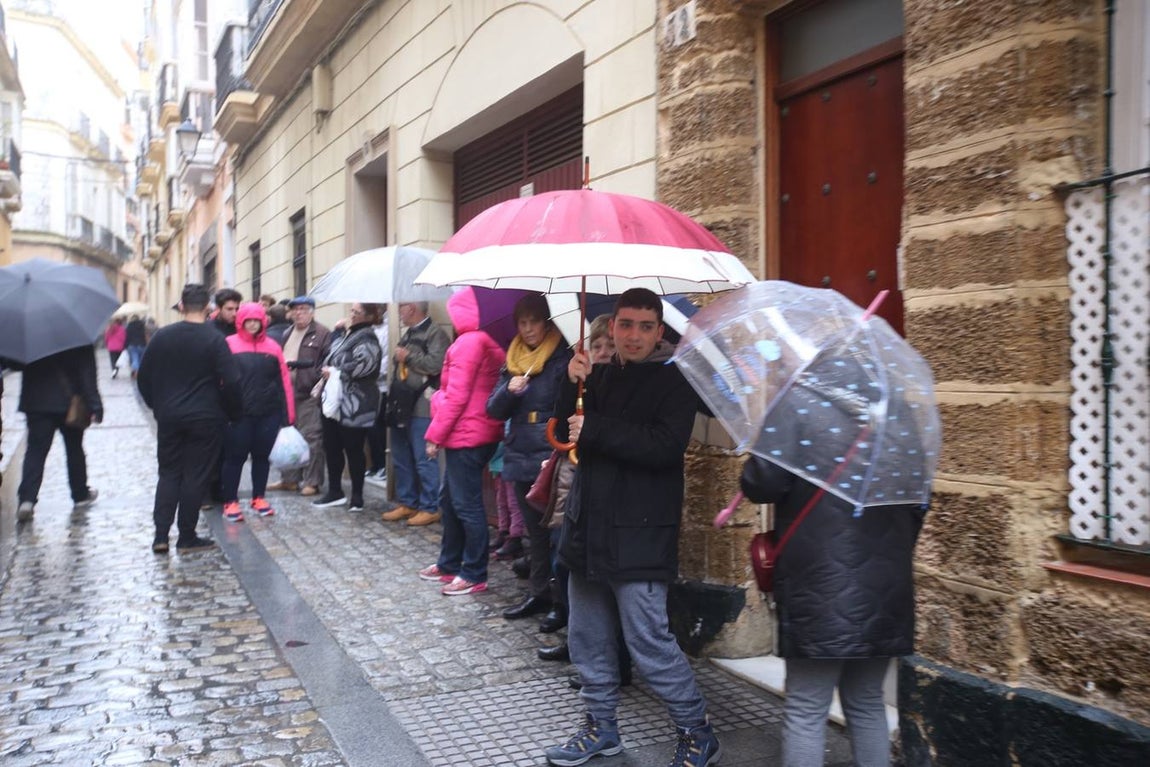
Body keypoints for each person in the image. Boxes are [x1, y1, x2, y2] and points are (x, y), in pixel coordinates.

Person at [546, 288, 719, 767]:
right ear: (613, 327)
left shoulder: (675, 380)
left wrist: (596, 428)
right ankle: (601, 728)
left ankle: (696, 730)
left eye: (645, 326)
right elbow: (563, 435)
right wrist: (569, 381)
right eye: (625, 325)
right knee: (588, 637)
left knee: (648, 641)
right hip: (588, 527)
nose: (634, 335)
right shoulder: (596, 374)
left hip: (640, 532)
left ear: (659, 331)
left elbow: (663, 447)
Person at [740, 440, 926, 765]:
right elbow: (919, 502)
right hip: (884, 581)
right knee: (867, 700)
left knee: (806, 707)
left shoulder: (798, 406)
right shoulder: (899, 416)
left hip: (818, 584)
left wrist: (762, 442)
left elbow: (761, 483)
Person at [137, 283, 242, 552]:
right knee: (196, 476)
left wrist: (157, 405)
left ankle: (161, 536)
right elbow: (231, 381)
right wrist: (232, 412)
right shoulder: (214, 339)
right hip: (205, 417)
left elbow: (144, 377)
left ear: (181, 306)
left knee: (169, 473)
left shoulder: (162, 337)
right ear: (208, 308)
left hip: (170, 416)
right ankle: (186, 536)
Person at [486, 294, 572, 623]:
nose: (528, 329)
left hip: (548, 452)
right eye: (522, 323)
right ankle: (538, 592)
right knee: (533, 534)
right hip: (519, 449)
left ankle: (561, 602)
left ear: (546, 322)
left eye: (534, 321)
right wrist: (509, 390)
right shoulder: (512, 361)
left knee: (555, 532)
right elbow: (492, 409)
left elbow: (567, 404)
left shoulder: (561, 358)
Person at [417, 288, 505, 596]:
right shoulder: (483, 340)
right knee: (450, 501)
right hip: (474, 432)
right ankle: (450, 563)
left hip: (466, 434)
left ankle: (473, 572)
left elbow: (457, 396)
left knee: (465, 505)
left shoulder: (468, 343)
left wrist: (434, 436)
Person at [220, 303, 296, 523]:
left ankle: (258, 497)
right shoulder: (229, 345)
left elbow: (283, 382)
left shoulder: (273, 347)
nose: (253, 324)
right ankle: (230, 501)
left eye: (256, 320)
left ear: (263, 322)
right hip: (238, 414)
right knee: (235, 458)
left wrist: (288, 414)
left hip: (268, 413)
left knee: (262, 458)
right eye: (248, 321)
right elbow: (221, 381)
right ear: (241, 322)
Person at [9, 345, 102, 523]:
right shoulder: (78, 336)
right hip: (70, 402)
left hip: (37, 403)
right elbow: (87, 372)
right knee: (74, 449)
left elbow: (14, 364)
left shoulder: (31, 334)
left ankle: (27, 500)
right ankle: (80, 494)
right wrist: (95, 405)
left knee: (35, 452)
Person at [381, 301, 450, 526]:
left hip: (422, 405)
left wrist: (408, 357)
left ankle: (430, 507)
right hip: (402, 404)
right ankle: (408, 501)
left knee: (423, 458)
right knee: (401, 457)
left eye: (401, 307)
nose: (398, 311)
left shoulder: (435, 334)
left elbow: (436, 364)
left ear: (411, 308)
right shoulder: (408, 334)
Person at [311, 302, 383, 512]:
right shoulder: (348, 334)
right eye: (351, 311)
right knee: (332, 447)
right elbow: (331, 355)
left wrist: (336, 371)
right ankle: (335, 491)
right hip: (336, 402)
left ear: (368, 316)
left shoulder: (368, 337)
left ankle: (357, 496)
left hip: (355, 404)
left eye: (356, 312)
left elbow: (366, 365)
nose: (351, 314)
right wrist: (337, 333)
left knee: (354, 449)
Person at [268, 296, 331, 497]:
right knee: (288, 437)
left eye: (303, 309)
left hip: (308, 392)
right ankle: (290, 479)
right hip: (287, 392)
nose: (299, 313)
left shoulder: (321, 333)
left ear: (312, 311)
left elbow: (326, 362)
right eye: (295, 309)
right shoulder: (288, 332)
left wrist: (307, 371)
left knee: (311, 437)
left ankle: (312, 481)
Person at [365, 306, 390, 483]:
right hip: (370, 386)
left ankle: (381, 465)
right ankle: (375, 464)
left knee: (377, 428)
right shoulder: (371, 330)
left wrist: (373, 371)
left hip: (381, 386)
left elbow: (385, 357)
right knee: (370, 428)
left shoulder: (387, 330)